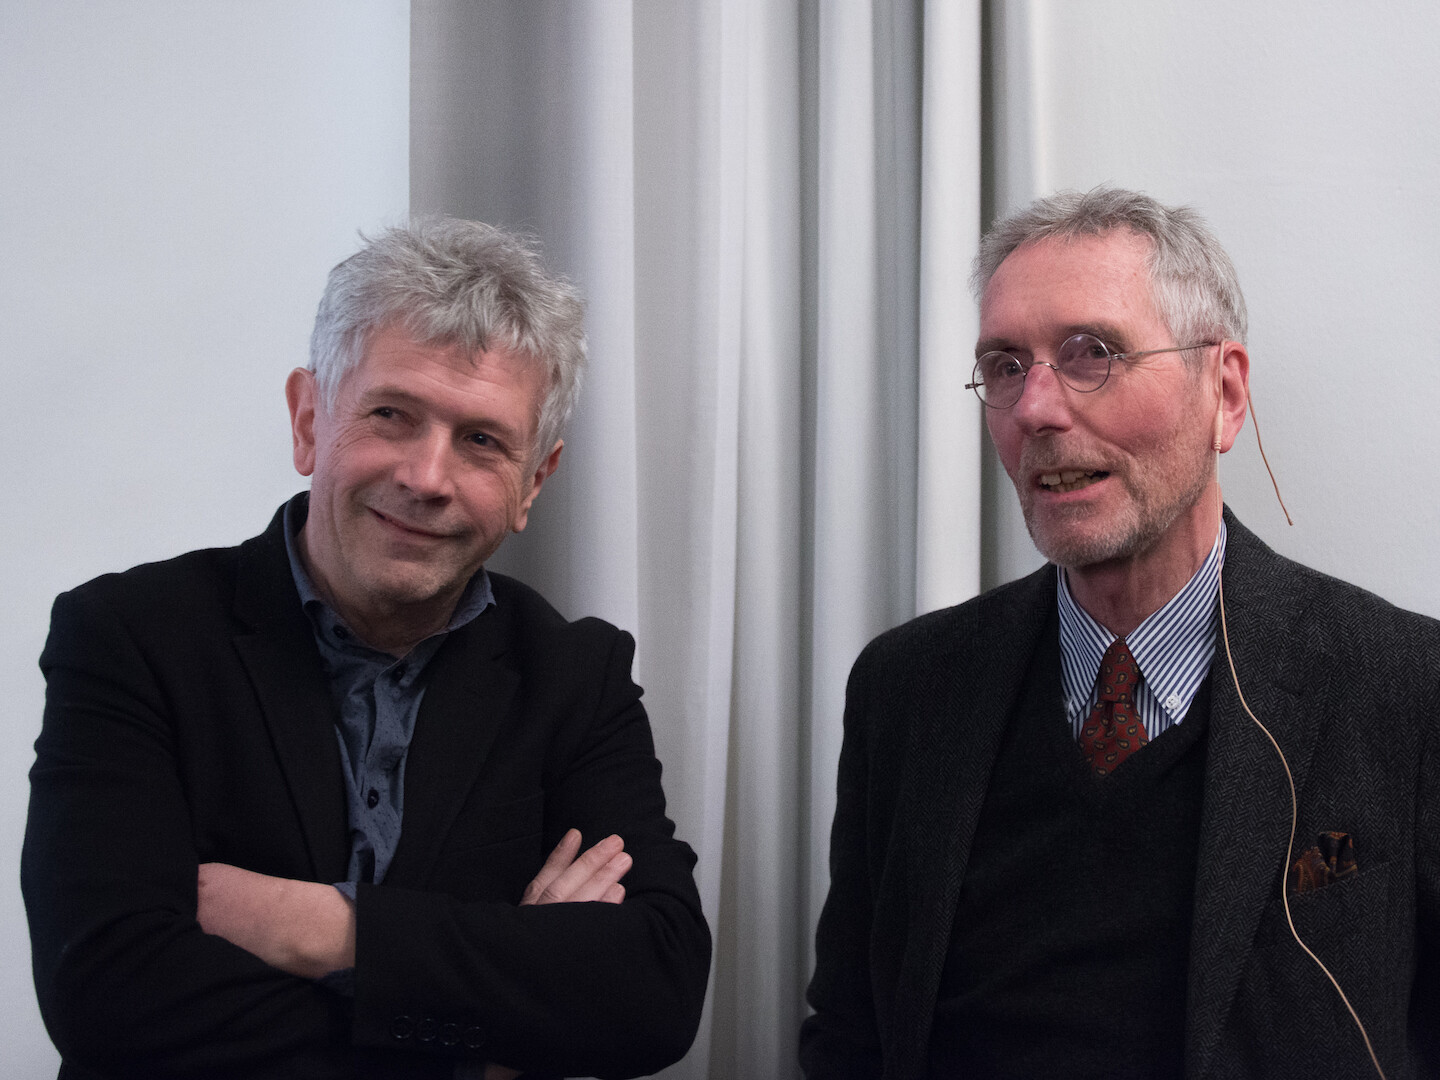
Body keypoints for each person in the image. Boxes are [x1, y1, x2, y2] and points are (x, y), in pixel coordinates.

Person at [22, 219, 710, 1079]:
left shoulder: (576, 677)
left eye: (481, 440)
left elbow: (654, 990)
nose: (426, 477)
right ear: (309, 420)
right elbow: (107, 995)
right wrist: (488, 1038)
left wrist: (321, 928)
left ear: (533, 482)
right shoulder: (131, 637)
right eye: (392, 414)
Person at [800, 188, 1440, 1079]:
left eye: (1092, 354)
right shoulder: (907, 688)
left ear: (1223, 393)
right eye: (1005, 366)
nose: (1035, 408)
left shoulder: (1403, 686)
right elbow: (849, 1034)